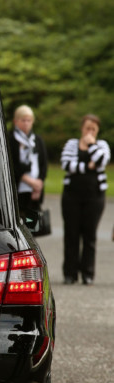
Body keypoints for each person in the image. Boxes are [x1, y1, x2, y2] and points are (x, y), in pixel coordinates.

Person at [60, 114, 111, 285]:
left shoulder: (102, 145)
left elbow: (102, 160)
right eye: (87, 128)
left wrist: (91, 145)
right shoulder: (71, 144)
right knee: (71, 234)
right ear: (82, 128)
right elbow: (66, 165)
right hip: (71, 196)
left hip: (94, 197)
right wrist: (87, 167)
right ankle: (70, 273)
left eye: (93, 129)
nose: (90, 132)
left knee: (90, 236)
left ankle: (87, 274)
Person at [9, 105, 47, 212]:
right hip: (18, 189)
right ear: (15, 121)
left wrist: (39, 183)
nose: (26, 123)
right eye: (23, 120)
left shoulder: (37, 140)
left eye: (29, 120)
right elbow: (12, 166)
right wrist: (29, 181)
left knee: (34, 220)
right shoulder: (11, 140)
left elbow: (43, 164)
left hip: (35, 190)